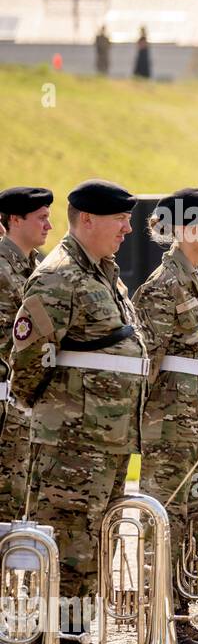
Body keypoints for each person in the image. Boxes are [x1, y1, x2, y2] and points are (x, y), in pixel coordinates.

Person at [9, 179, 147, 644]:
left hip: (105, 442)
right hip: (71, 442)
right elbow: (26, 357)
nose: (128, 229)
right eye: (119, 219)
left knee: (93, 547)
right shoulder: (59, 277)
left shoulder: (106, 274)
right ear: (86, 219)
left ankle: (71, 640)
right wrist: (51, 414)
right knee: (66, 547)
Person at [134, 188, 198, 644]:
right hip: (169, 425)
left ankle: (181, 613)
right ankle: (160, 619)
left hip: (197, 422)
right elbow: (149, 363)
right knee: (165, 520)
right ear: (184, 227)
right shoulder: (161, 287)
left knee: (194, 523)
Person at [0, 187, 53, 527]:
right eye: (41, 218)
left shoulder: (39, 269)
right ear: (15, 220)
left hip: (30, 407)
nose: (49, 225)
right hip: (7, 406)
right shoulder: (2, 270)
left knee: (23, 505)